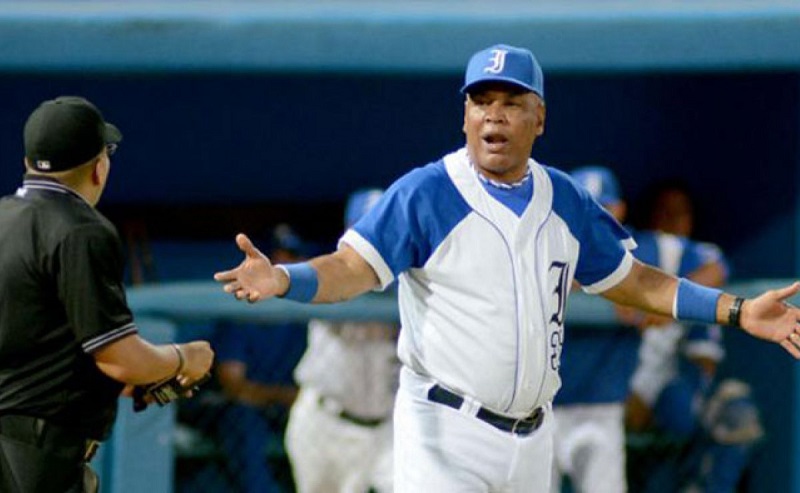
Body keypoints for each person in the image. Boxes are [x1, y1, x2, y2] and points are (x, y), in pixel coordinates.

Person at [214, 44, 800, 492]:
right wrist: (286, 279)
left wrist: (739, 310)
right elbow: (351, 268)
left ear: (538, 118)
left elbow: (635, 280)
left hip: (532, 435)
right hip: (443, 425)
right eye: (481, 101)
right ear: (464, 115)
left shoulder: (565, 199)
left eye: (511, 103)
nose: (493, 116)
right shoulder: (426, 192)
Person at [0, 96, 215, 493]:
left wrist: (106, 384)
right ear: (98, 168)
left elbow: (33, 338)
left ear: (28, 161)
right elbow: (121, 360)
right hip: (34, 457)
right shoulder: (81, 229)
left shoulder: (4, 217)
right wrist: (184, 359)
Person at [549, 166, 730, 493]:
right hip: (540, 408)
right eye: (585, 206)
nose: (594, 215)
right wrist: (606, 285)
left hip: (602, 408)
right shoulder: (544, 245)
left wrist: (656, 300)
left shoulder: (637, 249)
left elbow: (716, 265)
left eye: (604, 207)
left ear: (619, 210)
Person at [624, 179, 764, 493]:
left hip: (672, 399)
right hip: (617, 389)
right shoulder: (629, 249)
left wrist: (668, 301)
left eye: (680, 213)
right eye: (664, 211)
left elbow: (718, 267)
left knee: (734, 412)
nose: (672, 220)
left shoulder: (701, 259)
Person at [284, 188, 399, 493]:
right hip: (324, 423)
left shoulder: (412, 281)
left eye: (385, 229)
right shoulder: (331, 275)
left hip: (387, 429)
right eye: (368, 230)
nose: (378, 241)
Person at [211, 224, 310, 493]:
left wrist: (297, 400)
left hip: (291, 408)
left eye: (294, 258)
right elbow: (234, 385)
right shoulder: (240, 315)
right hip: (248, 409)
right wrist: (283, 396)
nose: (286, 265)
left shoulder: (306, 320)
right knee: (243, 423)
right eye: (279, 258)